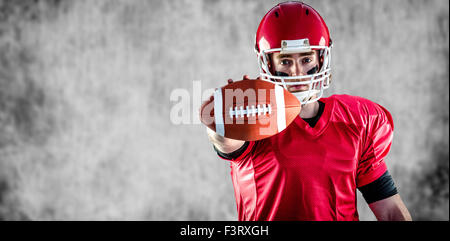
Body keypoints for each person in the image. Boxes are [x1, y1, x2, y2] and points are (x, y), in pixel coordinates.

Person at [205, 1, 412, 221]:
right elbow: (226, 141)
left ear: (321, 59)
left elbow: (390, 211)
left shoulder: (358, 119)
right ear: (268, 64)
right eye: (285, 61)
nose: (297, 73)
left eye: (306, 59)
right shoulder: (254, 117)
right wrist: (222, 118)